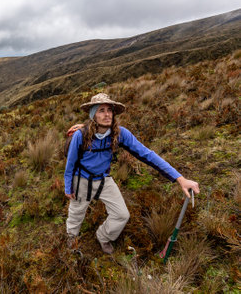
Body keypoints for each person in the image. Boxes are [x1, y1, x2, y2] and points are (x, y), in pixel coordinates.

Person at [64, 93, 200, 254]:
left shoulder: (120, 134)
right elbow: (70, 163)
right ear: (93, 115)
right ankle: (71, 240)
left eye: (109, 110)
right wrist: (68, 187)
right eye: (101, 110)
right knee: (76, 214)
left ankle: (103, 236)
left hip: (103, 179)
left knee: (122, 215)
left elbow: (147, 155)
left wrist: (180, 178)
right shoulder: (81, 135)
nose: (107, 114)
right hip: (82, 180)